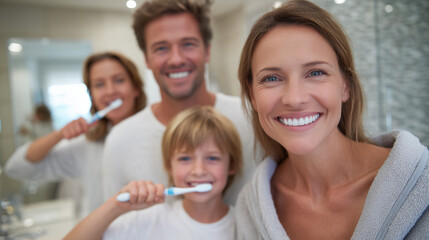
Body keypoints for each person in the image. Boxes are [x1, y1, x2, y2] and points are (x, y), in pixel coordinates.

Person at [235, 0, 429, 239]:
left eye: (316, 73)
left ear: (345, 85)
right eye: (272, 78)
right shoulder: (250, 209)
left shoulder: (423, 185)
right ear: (252, 95)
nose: (294, 99)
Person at [102, 0, 258, 205]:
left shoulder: (251, 120)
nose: (176, 59)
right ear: (147, 59)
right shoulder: (121, 140)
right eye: (161, 48)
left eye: (188, 44)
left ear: (207, 51)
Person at [64, 106, 242, 240]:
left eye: (212, 158)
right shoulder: (148, 221)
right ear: (169, 166)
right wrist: (116, 207)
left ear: (231, 164)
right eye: (185, 159)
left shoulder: (244, 226)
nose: (198, 170)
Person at [5, 51, 146, 217]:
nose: (110, 91)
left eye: (119, 80)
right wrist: (60, 134)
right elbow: (16, 168)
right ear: (91, 95)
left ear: (135, 88)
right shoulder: (87, 145)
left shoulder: (159, 135)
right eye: (99, 84)